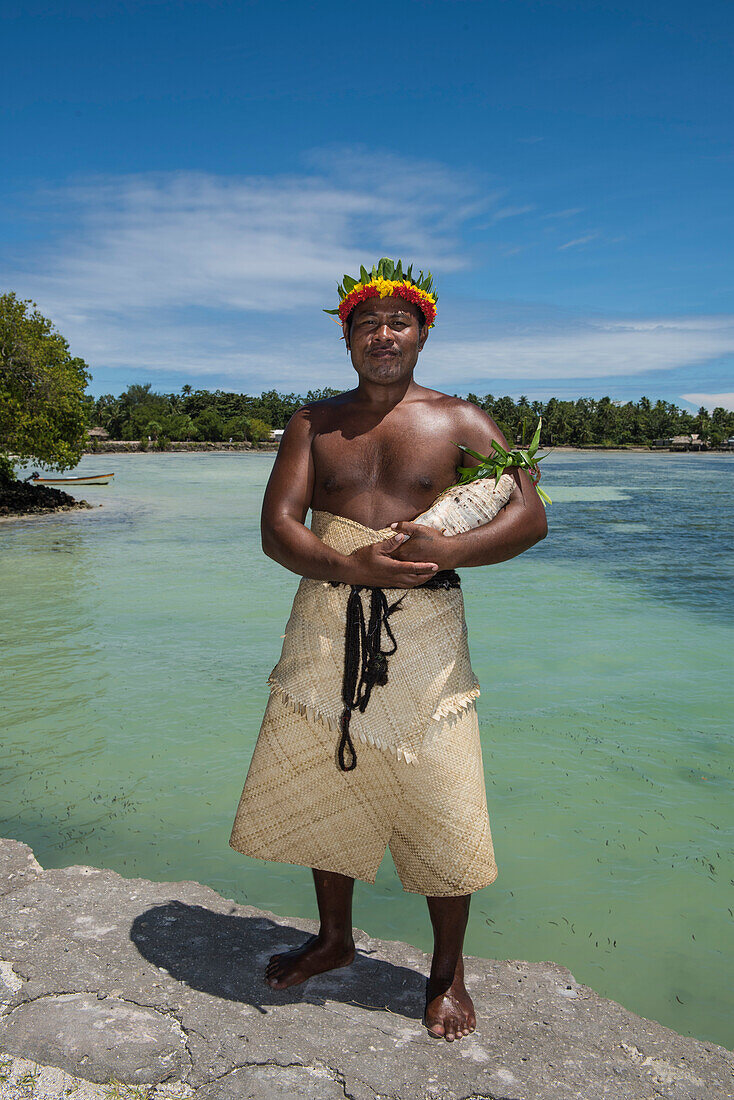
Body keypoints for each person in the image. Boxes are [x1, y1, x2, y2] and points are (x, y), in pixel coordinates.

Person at [230, 259, 547, 1041]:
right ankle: (335, 939)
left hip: (427, 636)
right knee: (328, 781)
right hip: (326, 624)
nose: (383, 335)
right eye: (366, 324)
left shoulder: (463, 421)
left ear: (423, 332)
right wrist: (349, 566)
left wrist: (450, 549)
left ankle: (448, 974)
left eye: (398, 322)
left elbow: (531, 516)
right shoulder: (314, 424)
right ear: (346, 337)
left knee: (445, 796)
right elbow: (279, 528)